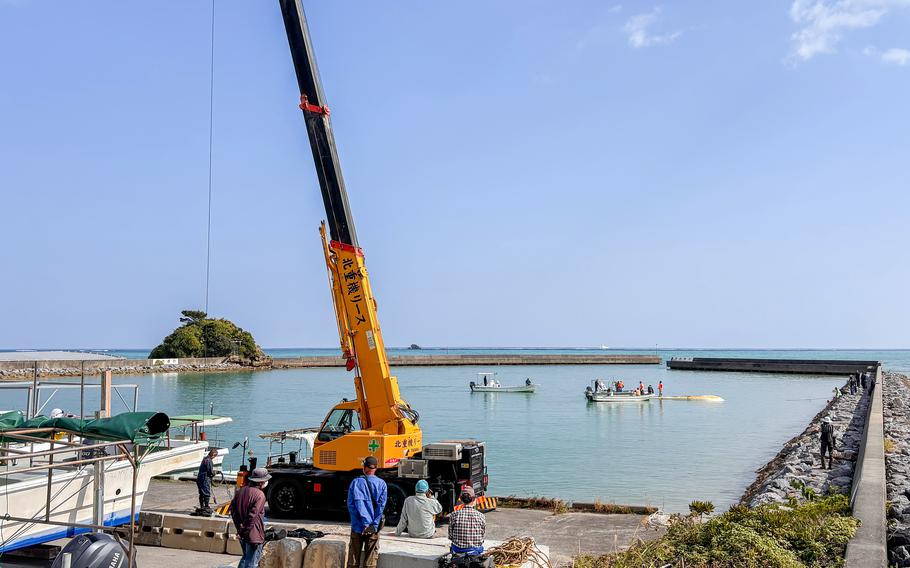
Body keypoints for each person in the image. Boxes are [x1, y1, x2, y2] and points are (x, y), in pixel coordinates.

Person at [347, 456, 387, 568]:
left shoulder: (355, 482)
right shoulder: (382, 484)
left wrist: (361, 523)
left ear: (364, 468)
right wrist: (372, 525)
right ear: (375, 469)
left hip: (357, 526)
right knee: (370, 562)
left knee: (353, 561)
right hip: (373, 528)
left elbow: (351, 506)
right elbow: (381, 507)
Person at [231, 467, 270, 568]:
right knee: (252, 562)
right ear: (261, 482)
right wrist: (244, 531)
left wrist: (240, 529)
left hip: (242, 532)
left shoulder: (240, 491)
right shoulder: (260, 495)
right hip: (254, 535)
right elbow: (252, 516)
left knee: (245, 558)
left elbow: (233, 512)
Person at [448, 486, 486, 556]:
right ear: (474, 499)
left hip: (458, 549)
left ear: (461, 499)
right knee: (481, 548)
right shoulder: (481, 516)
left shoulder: (454, 514)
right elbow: (482, 536)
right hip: (475, 550)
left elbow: (450, 536)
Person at [197, 448, 218, 513]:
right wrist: (214, 473)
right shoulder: (209, 460)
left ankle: (202, 506)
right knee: (206, 493)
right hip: (205, 479)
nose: (214, 458)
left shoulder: (204, 459)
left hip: (200, 478)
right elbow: (210, 472)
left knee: (201, 493)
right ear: (213, 455)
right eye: (215, 456)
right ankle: (206, 506)